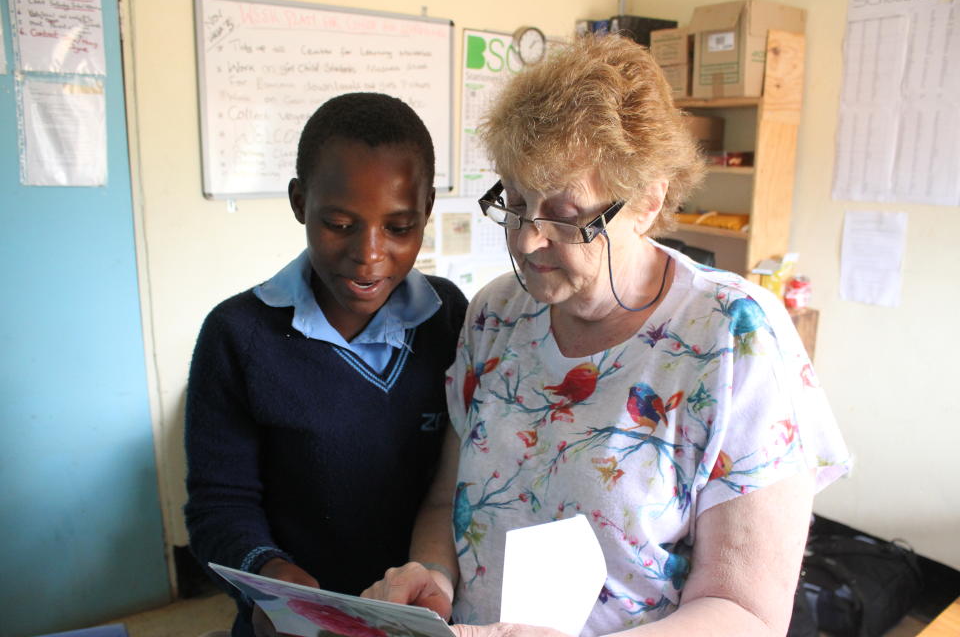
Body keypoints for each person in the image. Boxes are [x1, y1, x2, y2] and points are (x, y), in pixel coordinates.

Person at [361, 35, 849, 637]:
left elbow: (747, 613)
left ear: (646, 200)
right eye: (514, 202)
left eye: (564, 216)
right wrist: (433, 575)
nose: (526, 241)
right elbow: (446, 499)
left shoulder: (733, 337)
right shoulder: (495, 315)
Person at [184, 92, 468, 637]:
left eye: (400, 227)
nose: (369, 254)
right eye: (339, 224)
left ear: (428, 209)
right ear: (299, 202)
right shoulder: (238, 336)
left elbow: (460, 481)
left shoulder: (451, 319)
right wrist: (270, 578)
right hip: (294, 622)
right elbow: (219, 504)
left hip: (422, 616)